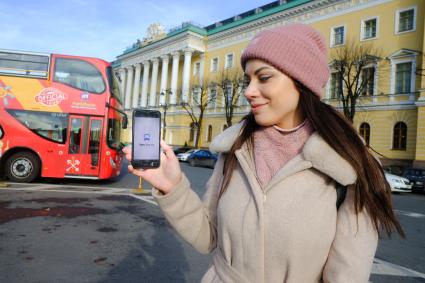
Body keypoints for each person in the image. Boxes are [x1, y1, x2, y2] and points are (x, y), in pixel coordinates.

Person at [123, 23, 404, 283]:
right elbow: (208, 237)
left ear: (301, 82)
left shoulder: (348, 165)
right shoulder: (233, 150)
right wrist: (173, 188)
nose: (249, 91)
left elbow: (347, 276)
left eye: (264, 77)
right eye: (248, 80)